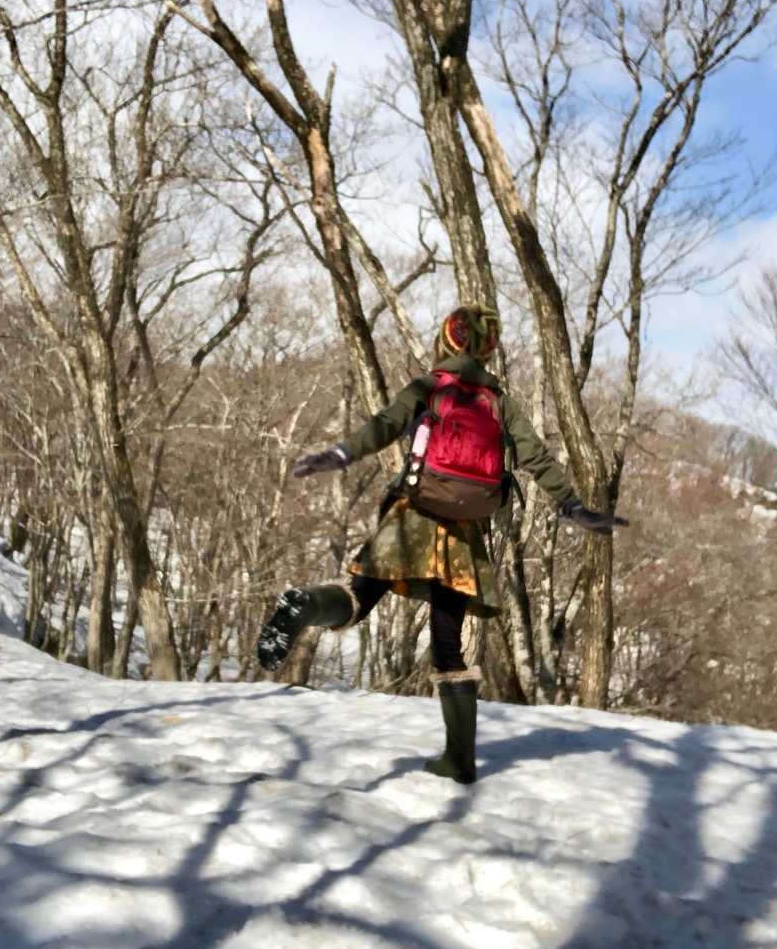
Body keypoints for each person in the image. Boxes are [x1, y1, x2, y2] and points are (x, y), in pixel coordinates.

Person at [256, 304, 628, 784]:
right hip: (463, 532)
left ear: (447, 340)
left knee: (359, 598)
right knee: (448, 647)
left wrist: (339, 453)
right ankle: (459, 759)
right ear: (487, 348)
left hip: (413, 514)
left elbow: (385, 424)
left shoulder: (429, 387)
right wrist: (573, 506)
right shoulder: (498, 401)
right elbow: (536, 457)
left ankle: (305, 604)